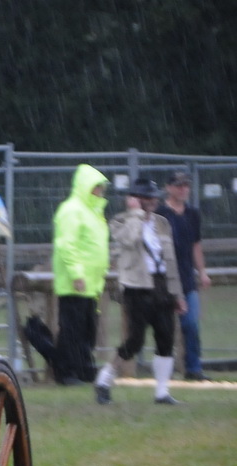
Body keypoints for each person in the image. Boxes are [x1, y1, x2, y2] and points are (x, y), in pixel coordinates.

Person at [94, 179, 186, 405]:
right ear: (135, 199)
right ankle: (105, 378)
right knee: (135, 340)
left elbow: (170, 260)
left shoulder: (162, 223)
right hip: (137, 286)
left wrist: (177, 294)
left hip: (162, 284)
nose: (152, 201)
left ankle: (162, 392)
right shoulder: (121, 221)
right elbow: (129, 239)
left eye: (154, 196)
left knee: (165, 337)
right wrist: (135, 214)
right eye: (146, 197)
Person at [50, 164, 111, 385]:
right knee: (72, 330)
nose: (101, 191)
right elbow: (66, 245)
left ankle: (83, 369)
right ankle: (66, 373)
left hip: (91, 284)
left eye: (102, 187)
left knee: (87, 330)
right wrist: (77, 274)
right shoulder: (71, 210)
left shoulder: (93, 212)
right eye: (97, 186)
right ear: (87, 186)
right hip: (75, 283)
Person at [159, 170, 211, 381]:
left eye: (186, 185)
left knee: (190, 324)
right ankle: (165, 368)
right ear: (168, 187)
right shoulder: (161, 214)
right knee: (164, 327)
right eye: (178, 185)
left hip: (187, 278)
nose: (183, 189)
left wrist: (203, 272)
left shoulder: (192, 213)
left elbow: (195, 245)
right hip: (164, 278)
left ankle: (193, 367)